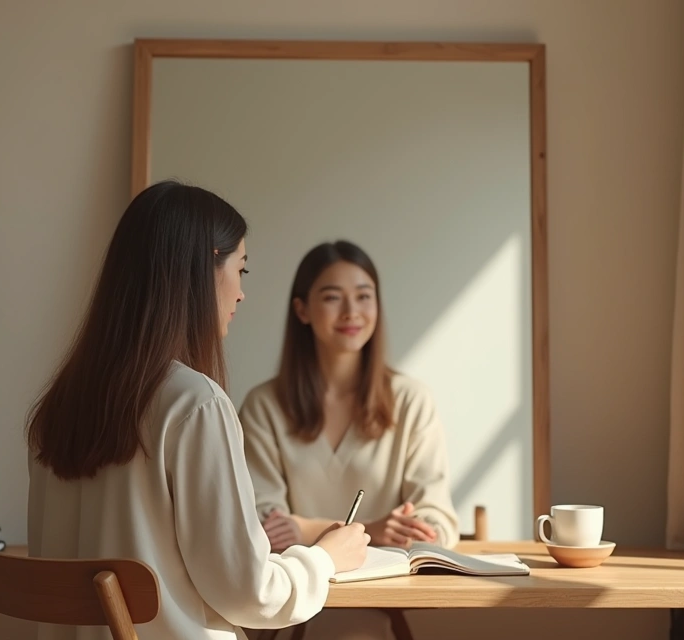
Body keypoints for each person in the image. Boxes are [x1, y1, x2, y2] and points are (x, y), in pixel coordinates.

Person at [26, 181, 370, 640]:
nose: (241, 294)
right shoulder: (194, 404)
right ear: (203, 268)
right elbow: (249, 593)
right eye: (240, 270)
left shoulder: (59, 405)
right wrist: (326, 558)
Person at [238, 240, 459, 640]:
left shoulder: (411, 400)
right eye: (332, 297)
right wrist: (372, 530)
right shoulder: (264, 405)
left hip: (380, 616)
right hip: (290, 613)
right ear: (302, 310)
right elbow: (261, 526)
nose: (351, 312)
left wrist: (305, 529)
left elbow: (436, 522)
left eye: (363, 296)